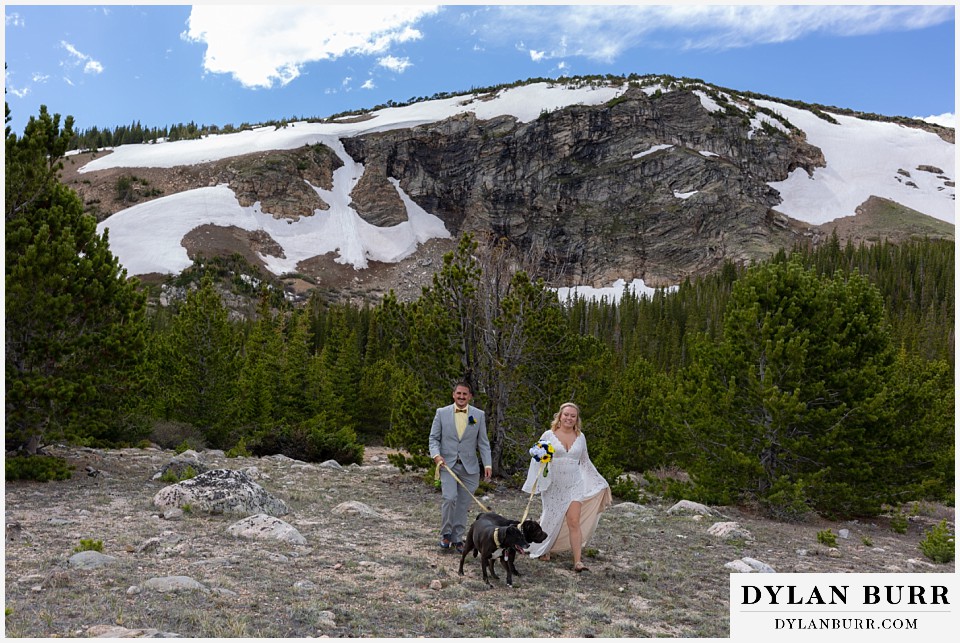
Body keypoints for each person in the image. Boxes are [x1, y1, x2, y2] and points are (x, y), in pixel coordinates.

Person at [522, 402, 612, 572]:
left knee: (574, 521)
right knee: (550, 516)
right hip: (554, 484)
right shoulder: (549, 434)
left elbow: (585, 462)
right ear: (560, 416)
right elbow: (537, 456)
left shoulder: (581, 436)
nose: (569, 418)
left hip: (575, 483)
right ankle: (544, 548)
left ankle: (578, 561)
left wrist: (599, 481)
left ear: (577, 419)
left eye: (573, 416)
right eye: (566, 415)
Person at [429, 380, 492, 553]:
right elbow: (434, 438)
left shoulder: (478, 415)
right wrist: (436, 455)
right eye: (459, 393)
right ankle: (445, 535)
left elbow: (483, 442)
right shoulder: (441, 413)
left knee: (463, 504)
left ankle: (458, 538)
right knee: (449, 498)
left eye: (465, 394)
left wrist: (487, 463)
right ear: (453, 394)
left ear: (470, 396)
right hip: (447, 465)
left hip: (469, 468)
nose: (462, 397)